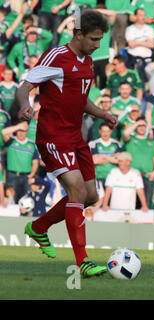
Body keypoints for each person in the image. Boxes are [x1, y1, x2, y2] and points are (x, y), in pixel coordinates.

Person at [17, 10, 118, 278]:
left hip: (76, 137)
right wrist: (26, 106)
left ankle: (39, 227)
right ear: (78, 34)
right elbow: (24, 87)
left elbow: (81, 100)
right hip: (53, 135)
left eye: (100, 40)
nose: (98, 45)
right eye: (94, 39)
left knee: (91, 196)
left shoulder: (88, 63)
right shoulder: (56, 56)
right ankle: (83, 262)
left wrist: (104, 114)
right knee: (76, 190)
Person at [2, 122, 39, 203]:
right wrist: (18, 126)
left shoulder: (31, 144)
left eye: (23, 131)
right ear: (16, 131)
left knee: (27, 201)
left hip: (26, 177)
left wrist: (32, 175)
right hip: (12, 176)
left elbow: (35, 162)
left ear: (26, 132)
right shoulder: (11, 141)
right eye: (19, 131)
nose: (21, 133)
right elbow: (3, 132)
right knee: (11, 201)